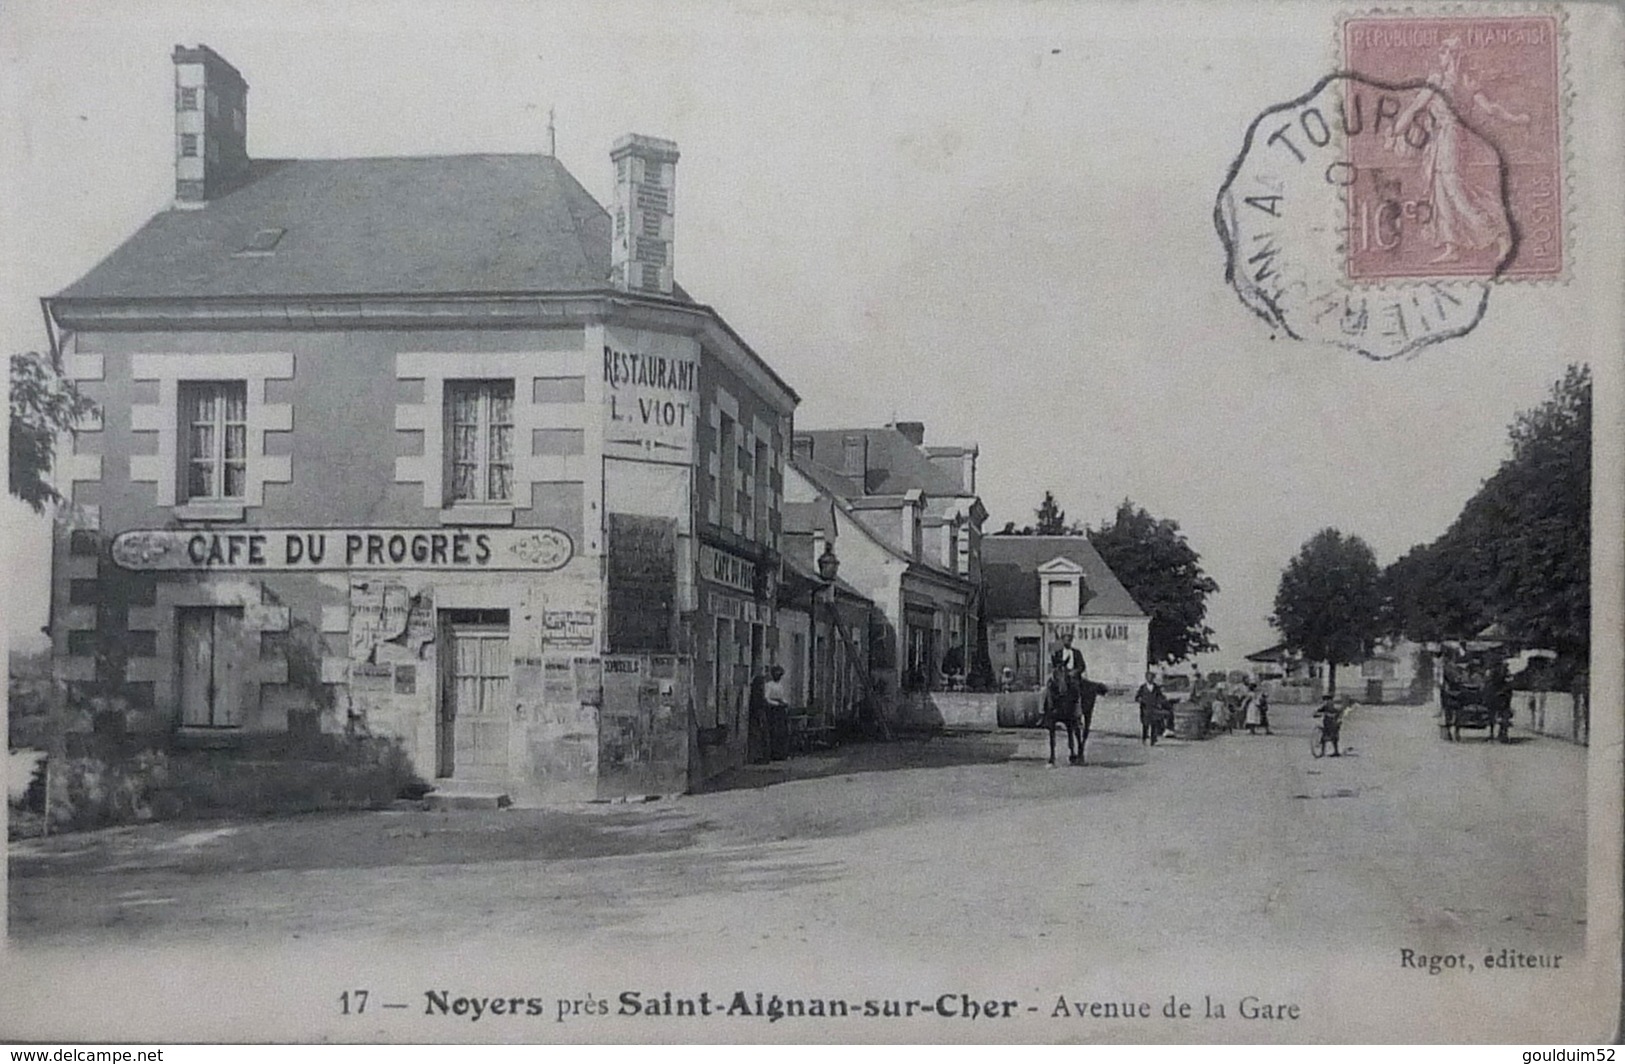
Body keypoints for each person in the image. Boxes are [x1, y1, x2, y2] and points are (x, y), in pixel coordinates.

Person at [764, 664, 791, 760]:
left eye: (780, 675)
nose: (779, 677)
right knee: (774, 732)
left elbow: (782, 697)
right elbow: (767, 699)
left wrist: (785, 703)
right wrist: (776, 704)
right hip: (773, 711)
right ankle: (773, 753)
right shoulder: (769, 685)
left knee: (782, 732)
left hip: (780, 711)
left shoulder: (780, 686)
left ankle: (781, 753)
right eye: (777, 674)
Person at [1135, 671, 1165, 745]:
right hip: (1145, 708)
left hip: (1154, 708)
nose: (1150, 679)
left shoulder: (1156, 687)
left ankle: (1153, 739)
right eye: (1148, 677)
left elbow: (1160, 696)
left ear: (1153, 678)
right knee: (1145, 724)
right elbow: (1137, 697)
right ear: (1146, 678)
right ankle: (1144, 738)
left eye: (1151, 677)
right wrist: (1140, 699)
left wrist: (1160, 703)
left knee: (1154, 724)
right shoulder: (1143, 687)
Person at [1314, 693, 1344, 757]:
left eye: (1326, 699)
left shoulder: (1330, 705)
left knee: (1331, 736)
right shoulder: (1328, 705)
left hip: (1332, 722)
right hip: (1329, 723)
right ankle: (1332, 751)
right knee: (1329, 737)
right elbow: (1320, 710)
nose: (1325, 701)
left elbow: (1336, 712)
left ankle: (1329, 752)